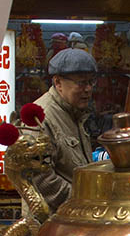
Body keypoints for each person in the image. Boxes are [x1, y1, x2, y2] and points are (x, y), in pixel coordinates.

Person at [33, 48, 98, 211]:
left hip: (75, 219)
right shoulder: (40, 117)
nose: (88, 89)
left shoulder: (74, 113)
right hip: (52, 225)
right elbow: (43, 180)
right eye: (81, 82)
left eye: (91, 82)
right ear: (58, 83)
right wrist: (84, 201)